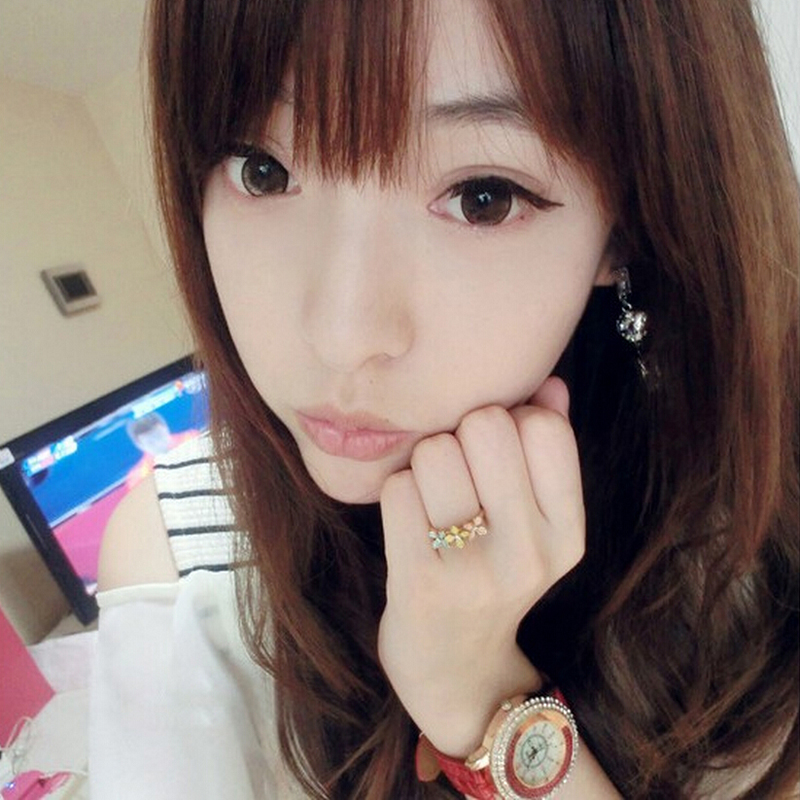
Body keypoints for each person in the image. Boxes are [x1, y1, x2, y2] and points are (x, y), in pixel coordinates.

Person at [89, 0, 799, 798]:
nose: (342, 337)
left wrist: (477, 693)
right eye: (263, 169)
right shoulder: (178, 565)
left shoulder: (753, 543)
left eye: (482, 197)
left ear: (626, 229)